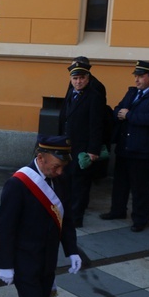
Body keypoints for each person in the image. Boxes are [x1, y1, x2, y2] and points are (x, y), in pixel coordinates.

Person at [0, 135, 82, 297]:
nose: (59, 171)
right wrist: (5, 264)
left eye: (62, 166)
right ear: (40, 158)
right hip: (24, 260)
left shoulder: (60, 180)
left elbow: (65, 218)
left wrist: (72, 250)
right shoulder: (19, 183)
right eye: (55, 166)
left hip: (47, 258)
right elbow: (5, 227)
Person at [99, 61, 149, 232]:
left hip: (141, 149)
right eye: (136, 76)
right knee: (120, 183)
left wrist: (129, 115)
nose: (137, 80)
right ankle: (117, 210)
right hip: (125, 145)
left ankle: (140, 219)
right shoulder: (132, 92)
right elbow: (117, 110)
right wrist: (121, 114)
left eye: (140, 76)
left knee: (140, 187)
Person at [58, 62, 107, 227]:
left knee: (80, 183)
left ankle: (76, 218)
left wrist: (93, 150)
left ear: (88, 78)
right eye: (75, 78)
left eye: (82, 78)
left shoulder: (94, 96)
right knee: (67, 181)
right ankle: (66, 212)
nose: (78, 81)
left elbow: (96, 125)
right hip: (67, 146)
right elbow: (64, 118)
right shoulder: (71, 93)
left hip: (83, 147)